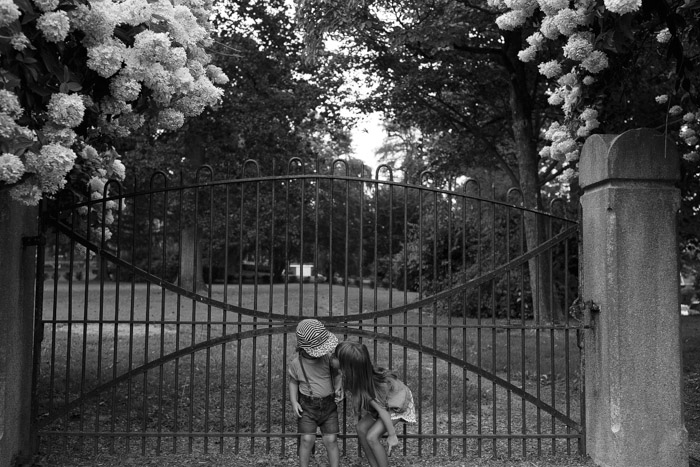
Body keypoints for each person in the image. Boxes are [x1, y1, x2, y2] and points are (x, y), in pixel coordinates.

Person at [333, 341, 416, 467]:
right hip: (382, 402)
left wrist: (392, 436)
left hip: (396, 402)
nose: (331, 358)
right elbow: (340, 375)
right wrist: (340, 385)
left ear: (347, 366)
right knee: (361, 428)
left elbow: (383, 411)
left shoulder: (366, 388)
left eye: (335, 357)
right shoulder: (353, 374)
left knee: (372, 437)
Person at [288, 319, 342, 467]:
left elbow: (338, 374)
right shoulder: (296, 363)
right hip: (307, 407)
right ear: (304, 348)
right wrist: (294, 402)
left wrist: (338, 387)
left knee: (331, 440)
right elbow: (293, 382)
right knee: (307, 440)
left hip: (329, 405)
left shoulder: (327, 359)